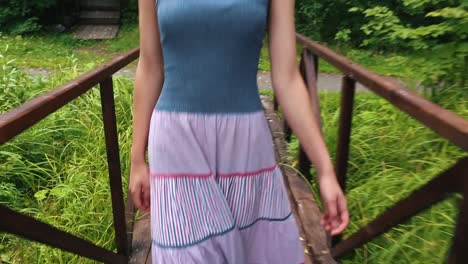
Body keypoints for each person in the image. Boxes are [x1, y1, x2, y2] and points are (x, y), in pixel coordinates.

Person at [129, 0, 349, 263]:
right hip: (177, 144)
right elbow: (150, 67)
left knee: (252, 251)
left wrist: (325, 171)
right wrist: (137, 159)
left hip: (245, 147)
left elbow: (288, 78)